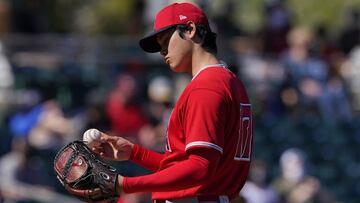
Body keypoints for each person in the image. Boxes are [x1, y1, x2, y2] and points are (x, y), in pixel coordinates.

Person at [75, 2, 254, 203]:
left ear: (190, 29)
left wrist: (125, 184)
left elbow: (199, 168)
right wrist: (135, 153)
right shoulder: (230, 82)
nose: (162, 51)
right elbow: (189, 167)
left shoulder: (206, 87)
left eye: (166, 40)